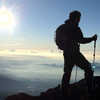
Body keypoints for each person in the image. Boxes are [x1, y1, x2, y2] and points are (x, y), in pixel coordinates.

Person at [60, 10, 97, 97]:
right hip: (74, 53)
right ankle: (89, 90)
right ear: (77, 18)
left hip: (66, 53)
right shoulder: (75, 27)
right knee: (88, 67)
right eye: (79, 18)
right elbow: (81, 40)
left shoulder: (63, 27)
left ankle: (63, 93)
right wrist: (92, 38)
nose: (80, 19)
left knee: (67, 72)